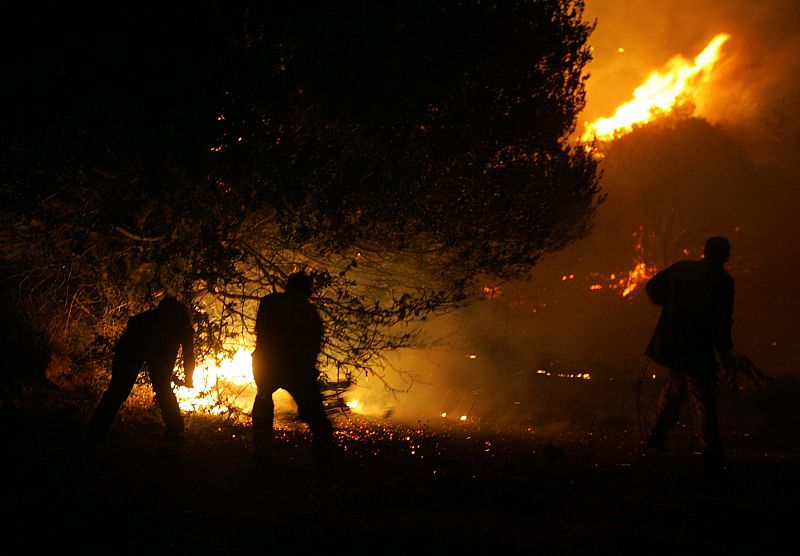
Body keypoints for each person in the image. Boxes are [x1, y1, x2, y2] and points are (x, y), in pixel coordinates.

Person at [643, 236, 735, 474]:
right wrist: (724, 352)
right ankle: (710, 450)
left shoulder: (683, 269)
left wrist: (671, 306)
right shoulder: (723, 281)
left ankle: (657, 437)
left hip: (675, 340)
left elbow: (653, 287)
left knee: (676, 387)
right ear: (724, 255)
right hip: (697, 344)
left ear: (705, 252)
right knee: (701, 392)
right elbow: (722, 321)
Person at [250, 271, 335, 467]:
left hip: (268, 363)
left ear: (288, 285)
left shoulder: (269, 302)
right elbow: (314, 347)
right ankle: (323, 459)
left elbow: (261, 331)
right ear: (308, 291)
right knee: (316, 417)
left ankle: (261, 451)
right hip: (297, 369)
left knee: (263, 399)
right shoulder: (311, 314)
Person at [87, 296, 195, 446]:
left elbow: (187, 356)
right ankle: (176, 433)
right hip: (135, 344)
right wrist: (188, 379)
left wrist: (187, 377)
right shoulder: (178, 326)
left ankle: (95, 431)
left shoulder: (150, 320)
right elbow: (188, 356)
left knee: (119, 390)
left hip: (135, 344)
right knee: (154, 389)